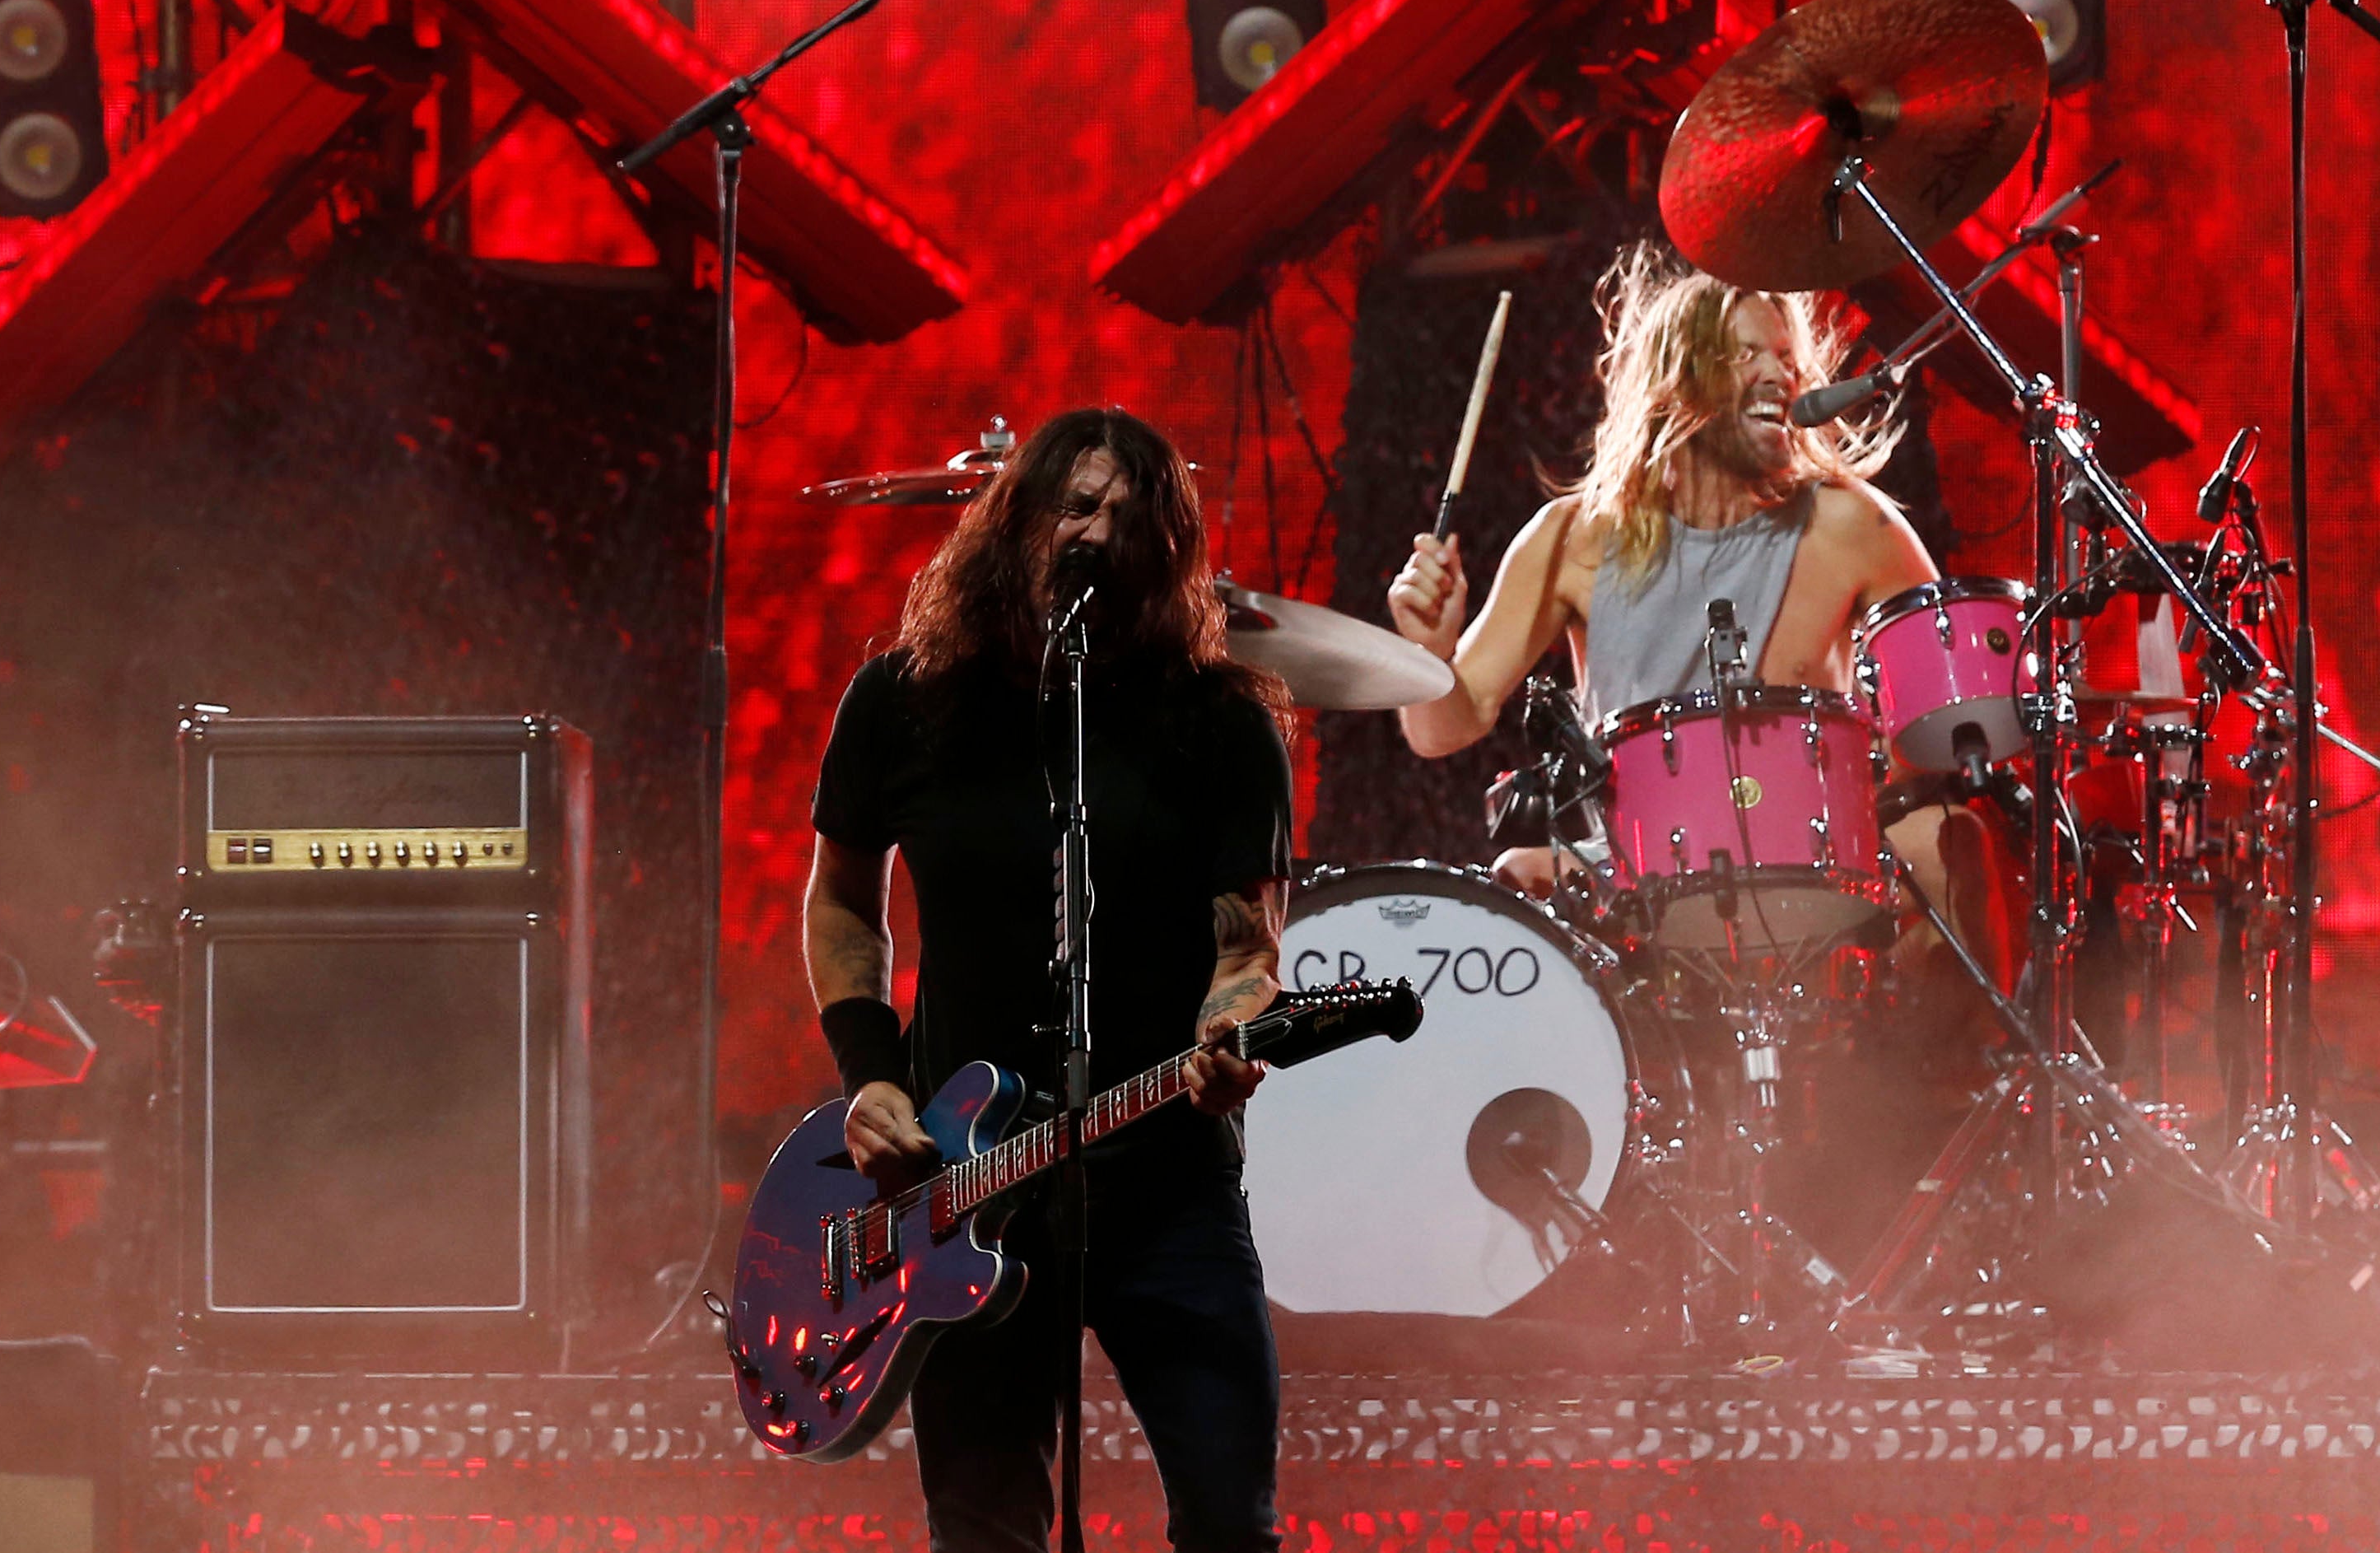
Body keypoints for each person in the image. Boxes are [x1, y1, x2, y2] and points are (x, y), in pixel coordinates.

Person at [804, 407, 1291, 1553]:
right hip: (966, 1185)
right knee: (982, 1528)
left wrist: (1228, 1035)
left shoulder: (1221, 724)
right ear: (1015, 519)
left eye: (1132, 518)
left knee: (1231, 1519)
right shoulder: (902, 701)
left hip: (1165, 1172)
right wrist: (870, 1075)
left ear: (1168, 553)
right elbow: (838, 897)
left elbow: (1247, 946)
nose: (1098, 531)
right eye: (1077, 504)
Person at [1385, 245, 1939, 898]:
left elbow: (1946, 714)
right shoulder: (1574, 538)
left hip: (1812, 866)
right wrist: (1426, 649)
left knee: (1940, 838)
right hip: (1632, 877)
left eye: (1787, 360)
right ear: (1676, 384)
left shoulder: (1851, 525)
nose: (1780, 378)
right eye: (1744, 356)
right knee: (1519, 877)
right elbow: (1441, 728)